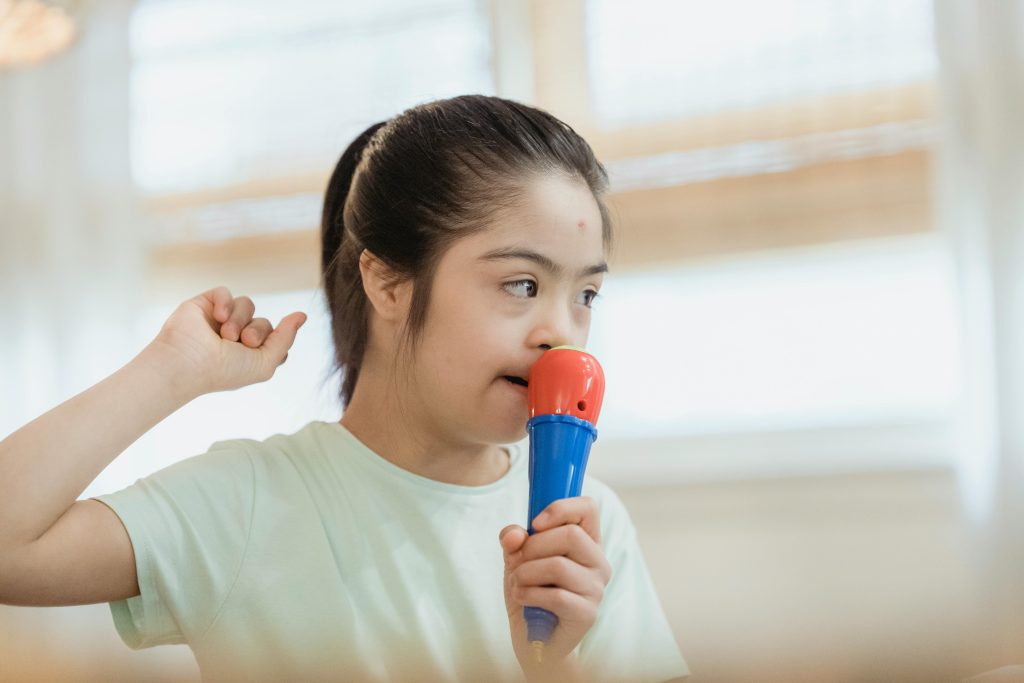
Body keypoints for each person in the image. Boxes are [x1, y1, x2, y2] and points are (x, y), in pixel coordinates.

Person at [0, 95, 689, 683]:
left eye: (587, 294)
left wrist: (556, 666)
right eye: (522, 284)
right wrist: (168, 371)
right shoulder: (247, 503)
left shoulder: (590, 531)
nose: (561, 333)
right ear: (388, 281)